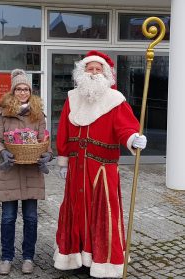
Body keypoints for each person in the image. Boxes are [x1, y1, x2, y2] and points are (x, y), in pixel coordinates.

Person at [53, 50, 147, 279]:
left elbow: (125, 126)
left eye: (98, 69)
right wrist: (63, 160)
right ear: (82, 72)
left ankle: (104, 261)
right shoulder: (72, 98)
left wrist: (133, 138)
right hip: (76, 167)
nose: (94, 73)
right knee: (76, 211)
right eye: (90, 69)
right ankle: (78, 257)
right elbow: (64, 130)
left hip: (103, 169)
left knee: (103, 213)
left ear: (106, 73)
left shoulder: (116, 100)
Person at [0, 69, 53, 275]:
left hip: (31, 172)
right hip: (10, 171)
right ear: (13, 91)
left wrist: (48, 155)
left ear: (30, 91)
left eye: (26, 88)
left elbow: (45, 142)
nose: (22, 92)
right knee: (8, 218)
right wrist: (3, 153)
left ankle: (28, 257)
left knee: (31, 218)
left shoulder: (38, 115)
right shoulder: (2, 113)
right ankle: (6, 257)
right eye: (18, 89)